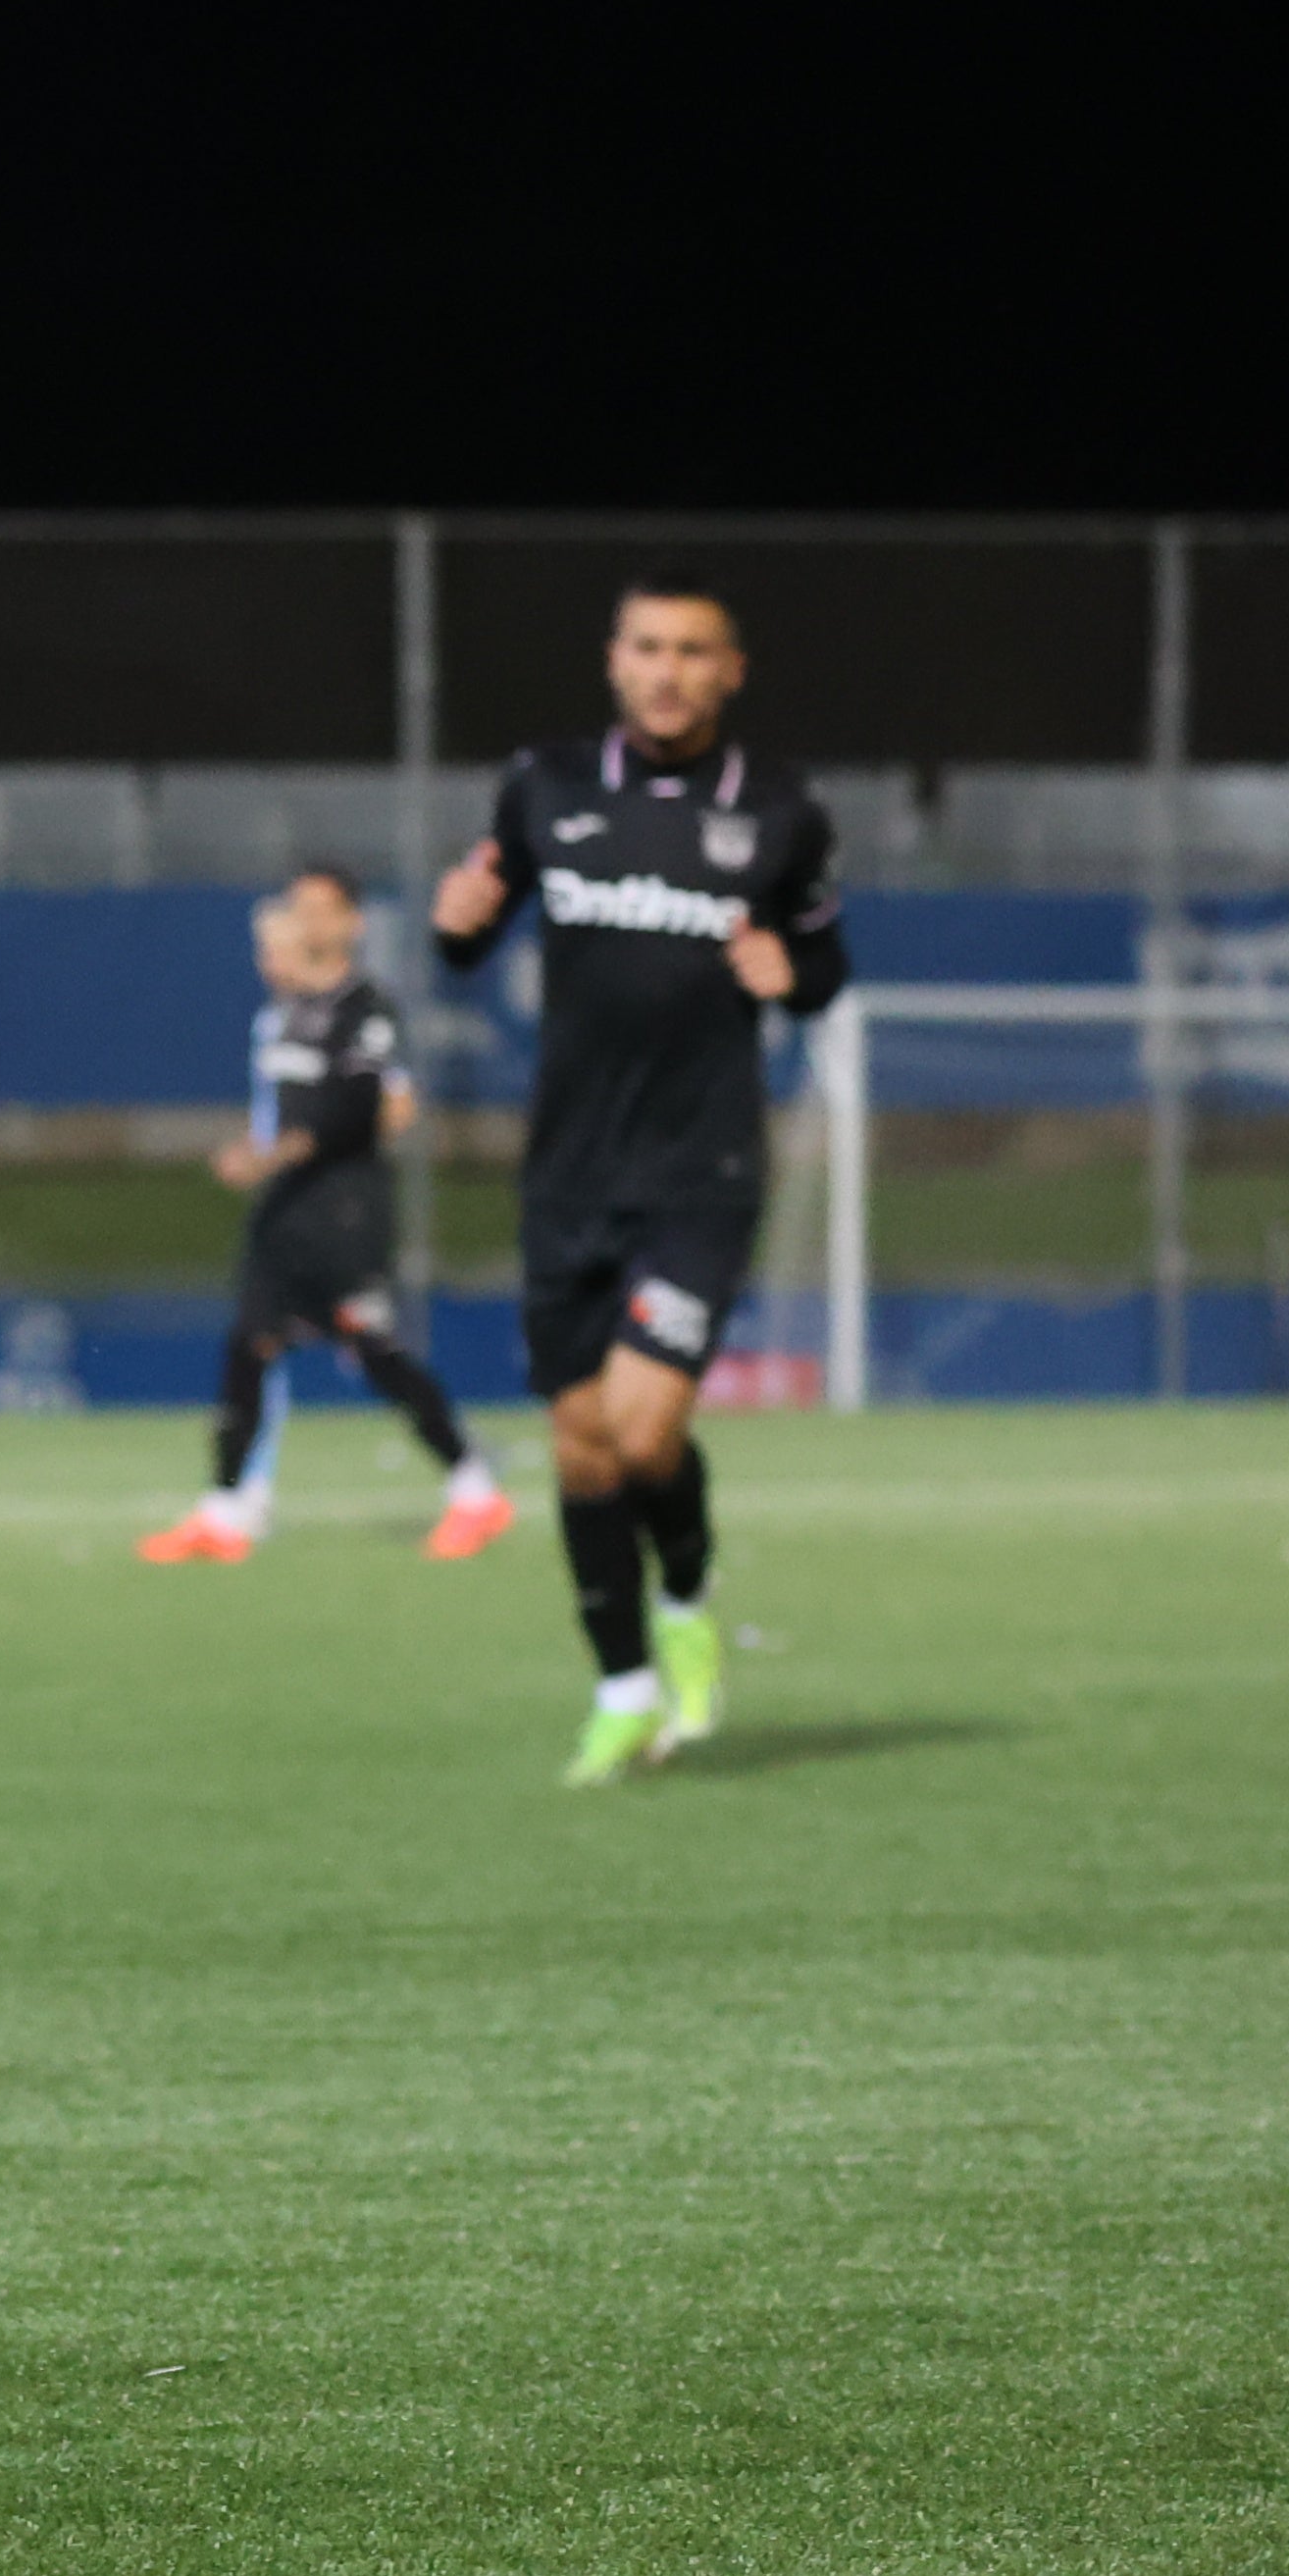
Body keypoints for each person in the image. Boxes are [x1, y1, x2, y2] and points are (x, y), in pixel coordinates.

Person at [432, 573, 846, 1785]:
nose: (668, 670)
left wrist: (789, 973)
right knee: (580, 1451)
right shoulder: (545, 786)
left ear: (731, 670)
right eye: (648, 648)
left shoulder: (777, 814)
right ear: (614, 660)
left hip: (701, 1167)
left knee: (643, 1424)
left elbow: (823, 967)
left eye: (693, 652)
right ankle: (620, 1689)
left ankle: (690, 1597)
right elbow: (469, 928)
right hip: (568, 1167)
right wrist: (457, 923)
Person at [141, 867, 511, 1564]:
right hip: (283, 1209)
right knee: (248, 1345)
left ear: (349, 922)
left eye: (319, 908)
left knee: (375, 1352)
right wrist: (265, 1156)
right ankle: (225, 1509)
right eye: (296, 907)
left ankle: (474, 1488)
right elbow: (282, 1105)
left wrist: (277, 1151)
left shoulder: (364, 1008)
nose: (305, 920)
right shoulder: (277, 1011)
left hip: (343, 1208)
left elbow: (362, 1107)